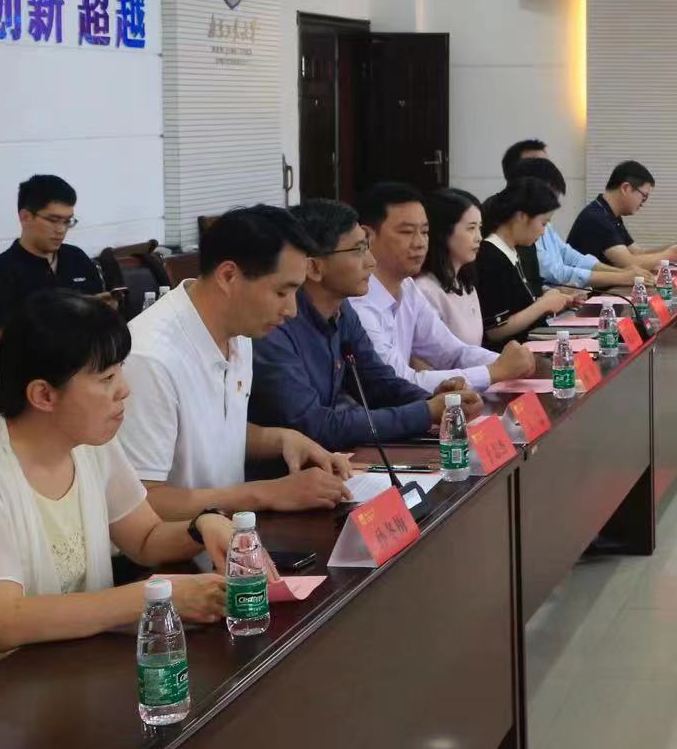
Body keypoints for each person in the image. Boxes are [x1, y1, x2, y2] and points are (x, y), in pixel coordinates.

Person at [0, 289, 234, 721]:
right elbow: (4, 623)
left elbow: (146, 538)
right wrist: (150, 598)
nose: (124, 390)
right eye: (106, 378)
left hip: (49, 676)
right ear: (43, 395)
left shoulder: (88, 445)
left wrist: (202, 525)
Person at [120, 205, 356, 518]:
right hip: (179, 545)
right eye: (281, 292)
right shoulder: (149, 359)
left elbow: (209, 429)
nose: (292, 310)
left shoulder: (238, 330)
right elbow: (140, 503)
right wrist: (267, 493)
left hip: (230, 535)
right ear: (228, 276)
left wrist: (281, 439)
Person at [251, 200, 481, 447]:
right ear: (315, 267)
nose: (371, 261)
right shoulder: (274, 325)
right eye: (359, 250)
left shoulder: (343, 311)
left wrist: (437, 401)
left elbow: (378, 384)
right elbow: (314, 426)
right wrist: (426, 411)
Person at [348, 182, 535, 390]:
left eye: (425, 232)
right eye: (407, 232)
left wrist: (508, 361)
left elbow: (451, 352)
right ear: (367, 237)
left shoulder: (407, 287)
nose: (419, 243)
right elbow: (399, 382)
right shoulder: (357, 303)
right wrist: (494, 371)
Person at [0, 174, 106, 355]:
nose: (61, 230)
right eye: (53, 220)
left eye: (67, 221)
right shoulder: (0, 272)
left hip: (89, 358)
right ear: (25, 217)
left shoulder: (77, 258)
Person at [508, 157, 643, 291]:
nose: (552, 205)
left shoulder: (543, 225)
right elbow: (555, 272)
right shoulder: (521, 237)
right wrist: (622, 277)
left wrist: (622, 273)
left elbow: (568, 254)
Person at [476, 180, 583, 348]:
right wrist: (542, 305)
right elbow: (495, 331)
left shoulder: (516, 250)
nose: (543, 232)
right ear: (521, 217)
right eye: (543, 223)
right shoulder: (491, 257)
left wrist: (556, 298)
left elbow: (520, 303)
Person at [564, 161, 677, 274]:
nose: (643, 203)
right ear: (626, 188)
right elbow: (629, 264)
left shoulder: (609, 213)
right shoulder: (597, 218)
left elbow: (638, 253)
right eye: (644, 197)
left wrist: (676, 247)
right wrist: (668, 255)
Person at [416, 188, 488, 347]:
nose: (479, 237)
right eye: (471, 228)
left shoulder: (465, 283)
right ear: (444, 232)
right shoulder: (425, 290)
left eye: (480, 228)